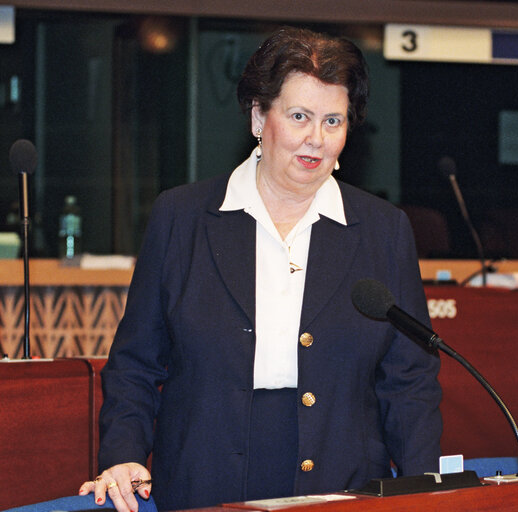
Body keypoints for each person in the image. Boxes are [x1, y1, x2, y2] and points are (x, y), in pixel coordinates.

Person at [80, 26, 442, 512]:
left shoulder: (382, 229)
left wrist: (424, 491)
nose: (316, 138)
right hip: (204, 478)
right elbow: (136, 363)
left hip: (342, 482)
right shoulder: (182, 217)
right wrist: (123, 453)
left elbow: (409, 380)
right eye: (299, 116)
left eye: (333, 120)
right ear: (258, 116)